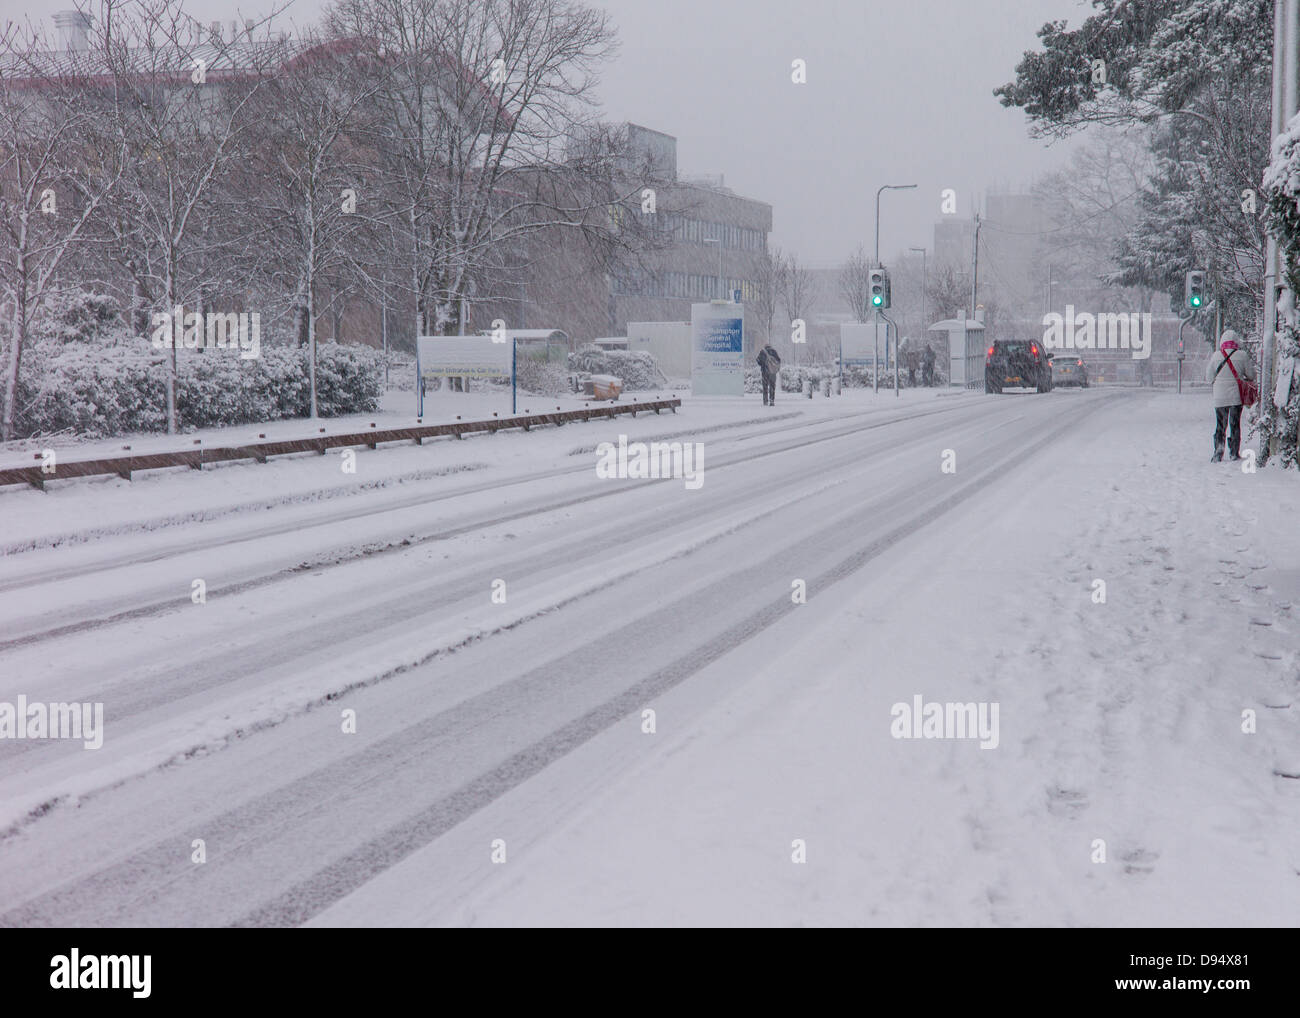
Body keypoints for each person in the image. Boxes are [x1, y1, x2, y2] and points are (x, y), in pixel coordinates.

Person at [1204, 329, 1255, 462]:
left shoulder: (1216, 356)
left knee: (1220, 425)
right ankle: (1233, 452)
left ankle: (1218, 450)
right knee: (1235, 424)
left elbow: (1209, 378)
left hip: (1219, 398)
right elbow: (1251, 375)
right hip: (1235, 397)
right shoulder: (1242, 355)